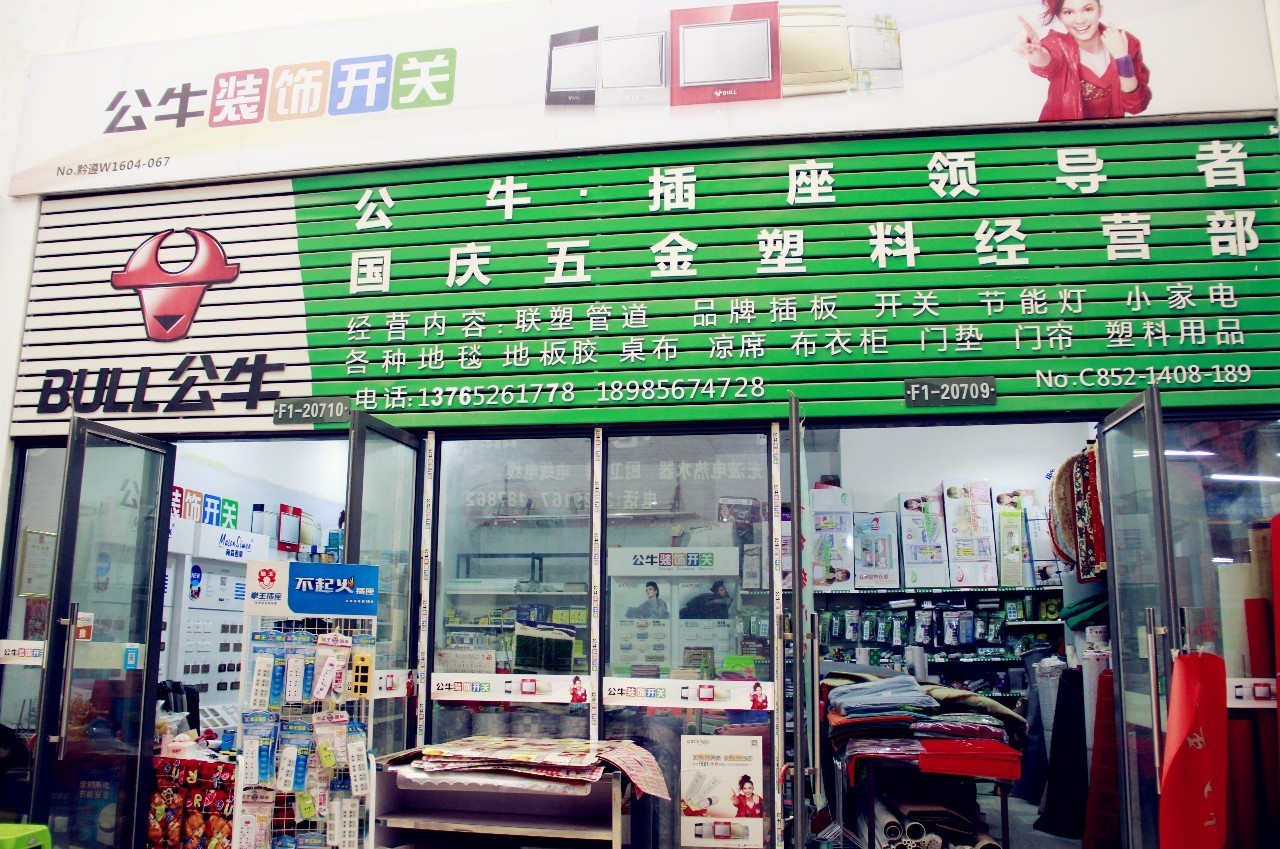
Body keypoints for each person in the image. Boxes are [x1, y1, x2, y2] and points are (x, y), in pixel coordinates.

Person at [1013, 0, 1151, 121]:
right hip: (1061, 137)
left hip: (1108, 137)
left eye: (1088, 9)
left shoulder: (1124, 42)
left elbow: (1136, 106)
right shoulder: (1058, 45)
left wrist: (1122, 59)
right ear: (1059, 17)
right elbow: (1045, 59)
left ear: (1100, 10)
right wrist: (1034, 52)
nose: (1080, 20)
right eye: (1068, 12)